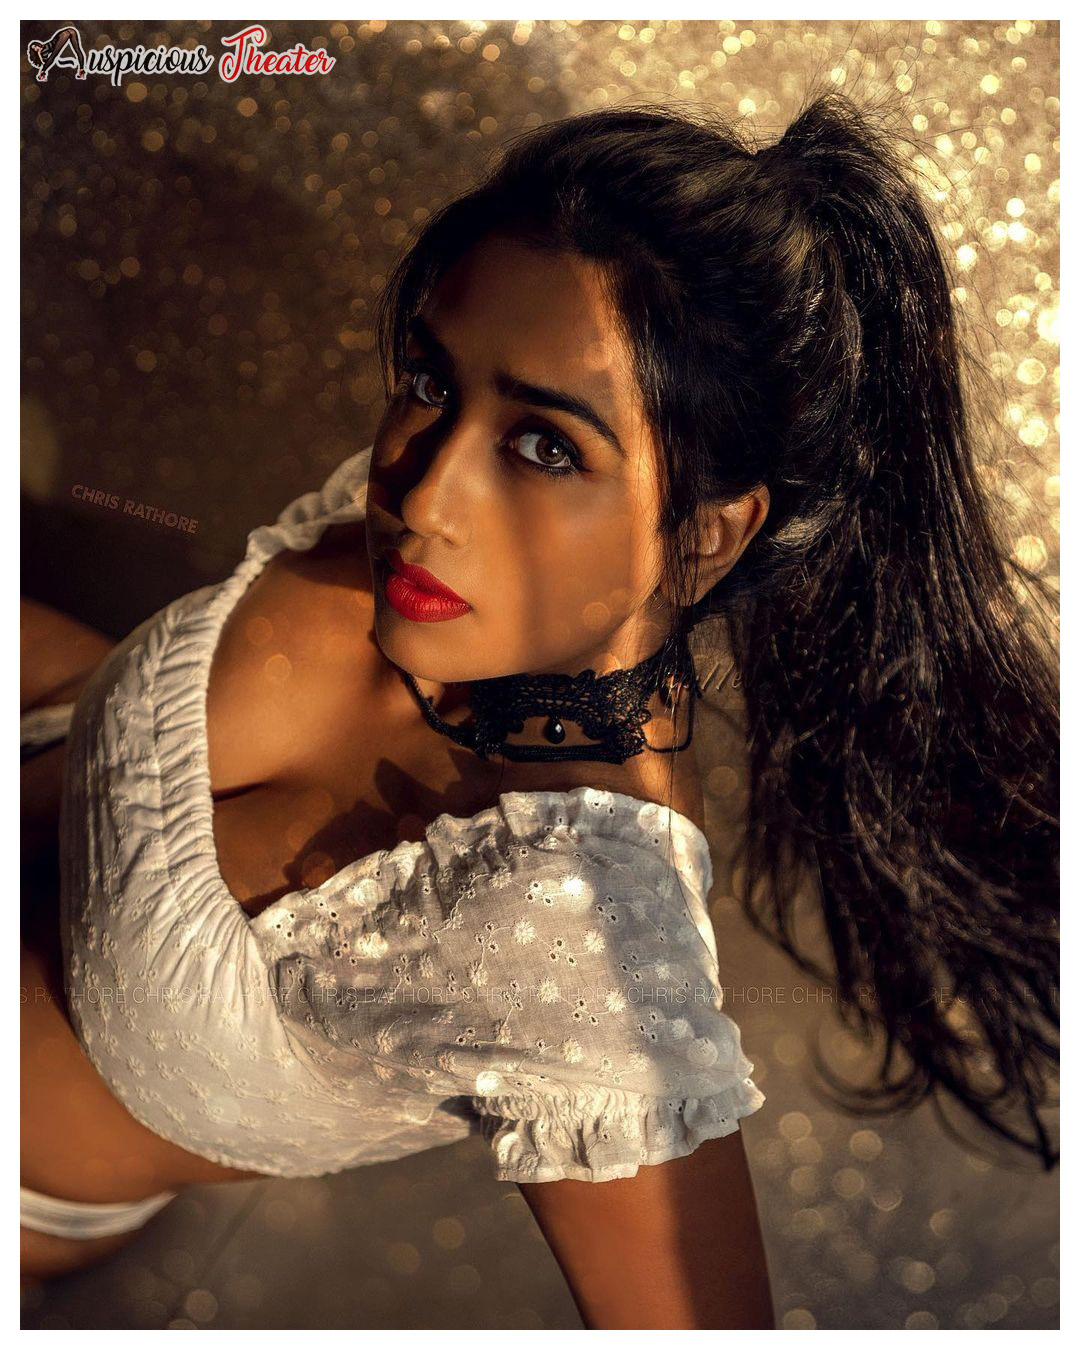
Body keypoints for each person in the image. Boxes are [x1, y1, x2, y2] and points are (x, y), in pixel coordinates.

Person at [20, 86, 1058, 1326]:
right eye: (429, 378)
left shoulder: (577, 952)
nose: (423, 492)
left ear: (708, 536)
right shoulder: (444, 547)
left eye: (547, 447)